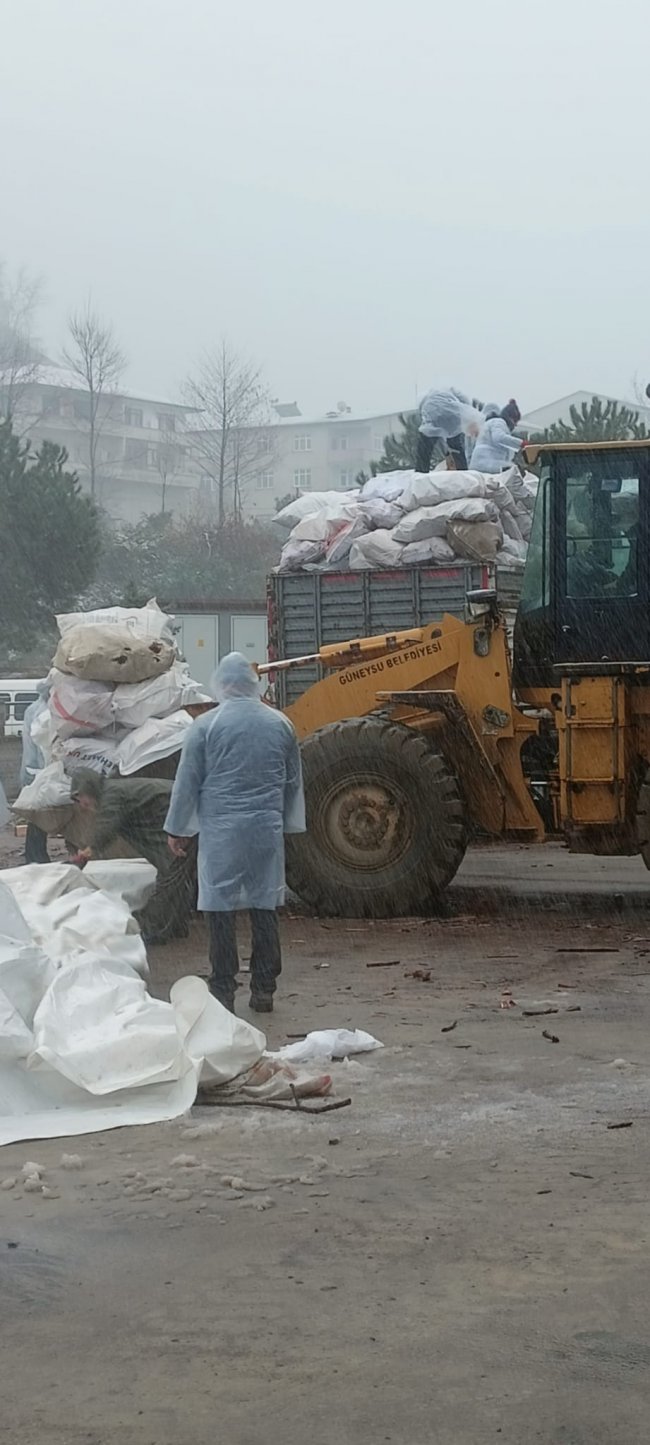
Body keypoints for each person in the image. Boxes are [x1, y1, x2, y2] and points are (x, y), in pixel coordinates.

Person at [164, 652, 305, 1015]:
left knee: (219, 908)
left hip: (221, 830)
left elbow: (187, 782)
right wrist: (289, 822)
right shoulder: (280, 724)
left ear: (222, 684)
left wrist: (178, 829)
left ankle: (224, 989)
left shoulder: (206, 726)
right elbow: (292, 782)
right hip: (265, 827)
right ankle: (264, 989)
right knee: (264, 903)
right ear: (254, 683)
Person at [69, 769, 195, 944]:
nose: (81, 804)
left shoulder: (112, 794)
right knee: (173, 875)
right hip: (171, 815)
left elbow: (107, 826)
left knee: (170, 878)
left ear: (88, 789)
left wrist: (86, 852)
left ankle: (155, 930)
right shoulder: (112, 791)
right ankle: (174, 925)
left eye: (79, 797)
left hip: (177, 813)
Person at [20, 680, 50, 864]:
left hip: (41, 770)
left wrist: (27, 778)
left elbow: (28, 751)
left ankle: (35, 856)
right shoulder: (41, 711)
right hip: (44, 769)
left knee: (38, 814)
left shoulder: (35, 709)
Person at [415, 387, 477, 474]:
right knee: (455, 445)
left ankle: (421, 473)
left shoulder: (427, 397)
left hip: (433, 412)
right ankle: (463, 472)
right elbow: (466, 403)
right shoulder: (452, 391)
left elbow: (422, 411)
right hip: (451, 413)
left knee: (425, 446)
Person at [471, 400, 522, 474]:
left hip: (481, 463)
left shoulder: (489, 424)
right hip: (488, 463)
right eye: (515, 421)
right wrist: (521, 443)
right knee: (515, 472)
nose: (515, 425)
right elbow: (499, 437)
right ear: (510, 418)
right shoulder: (498, 422)